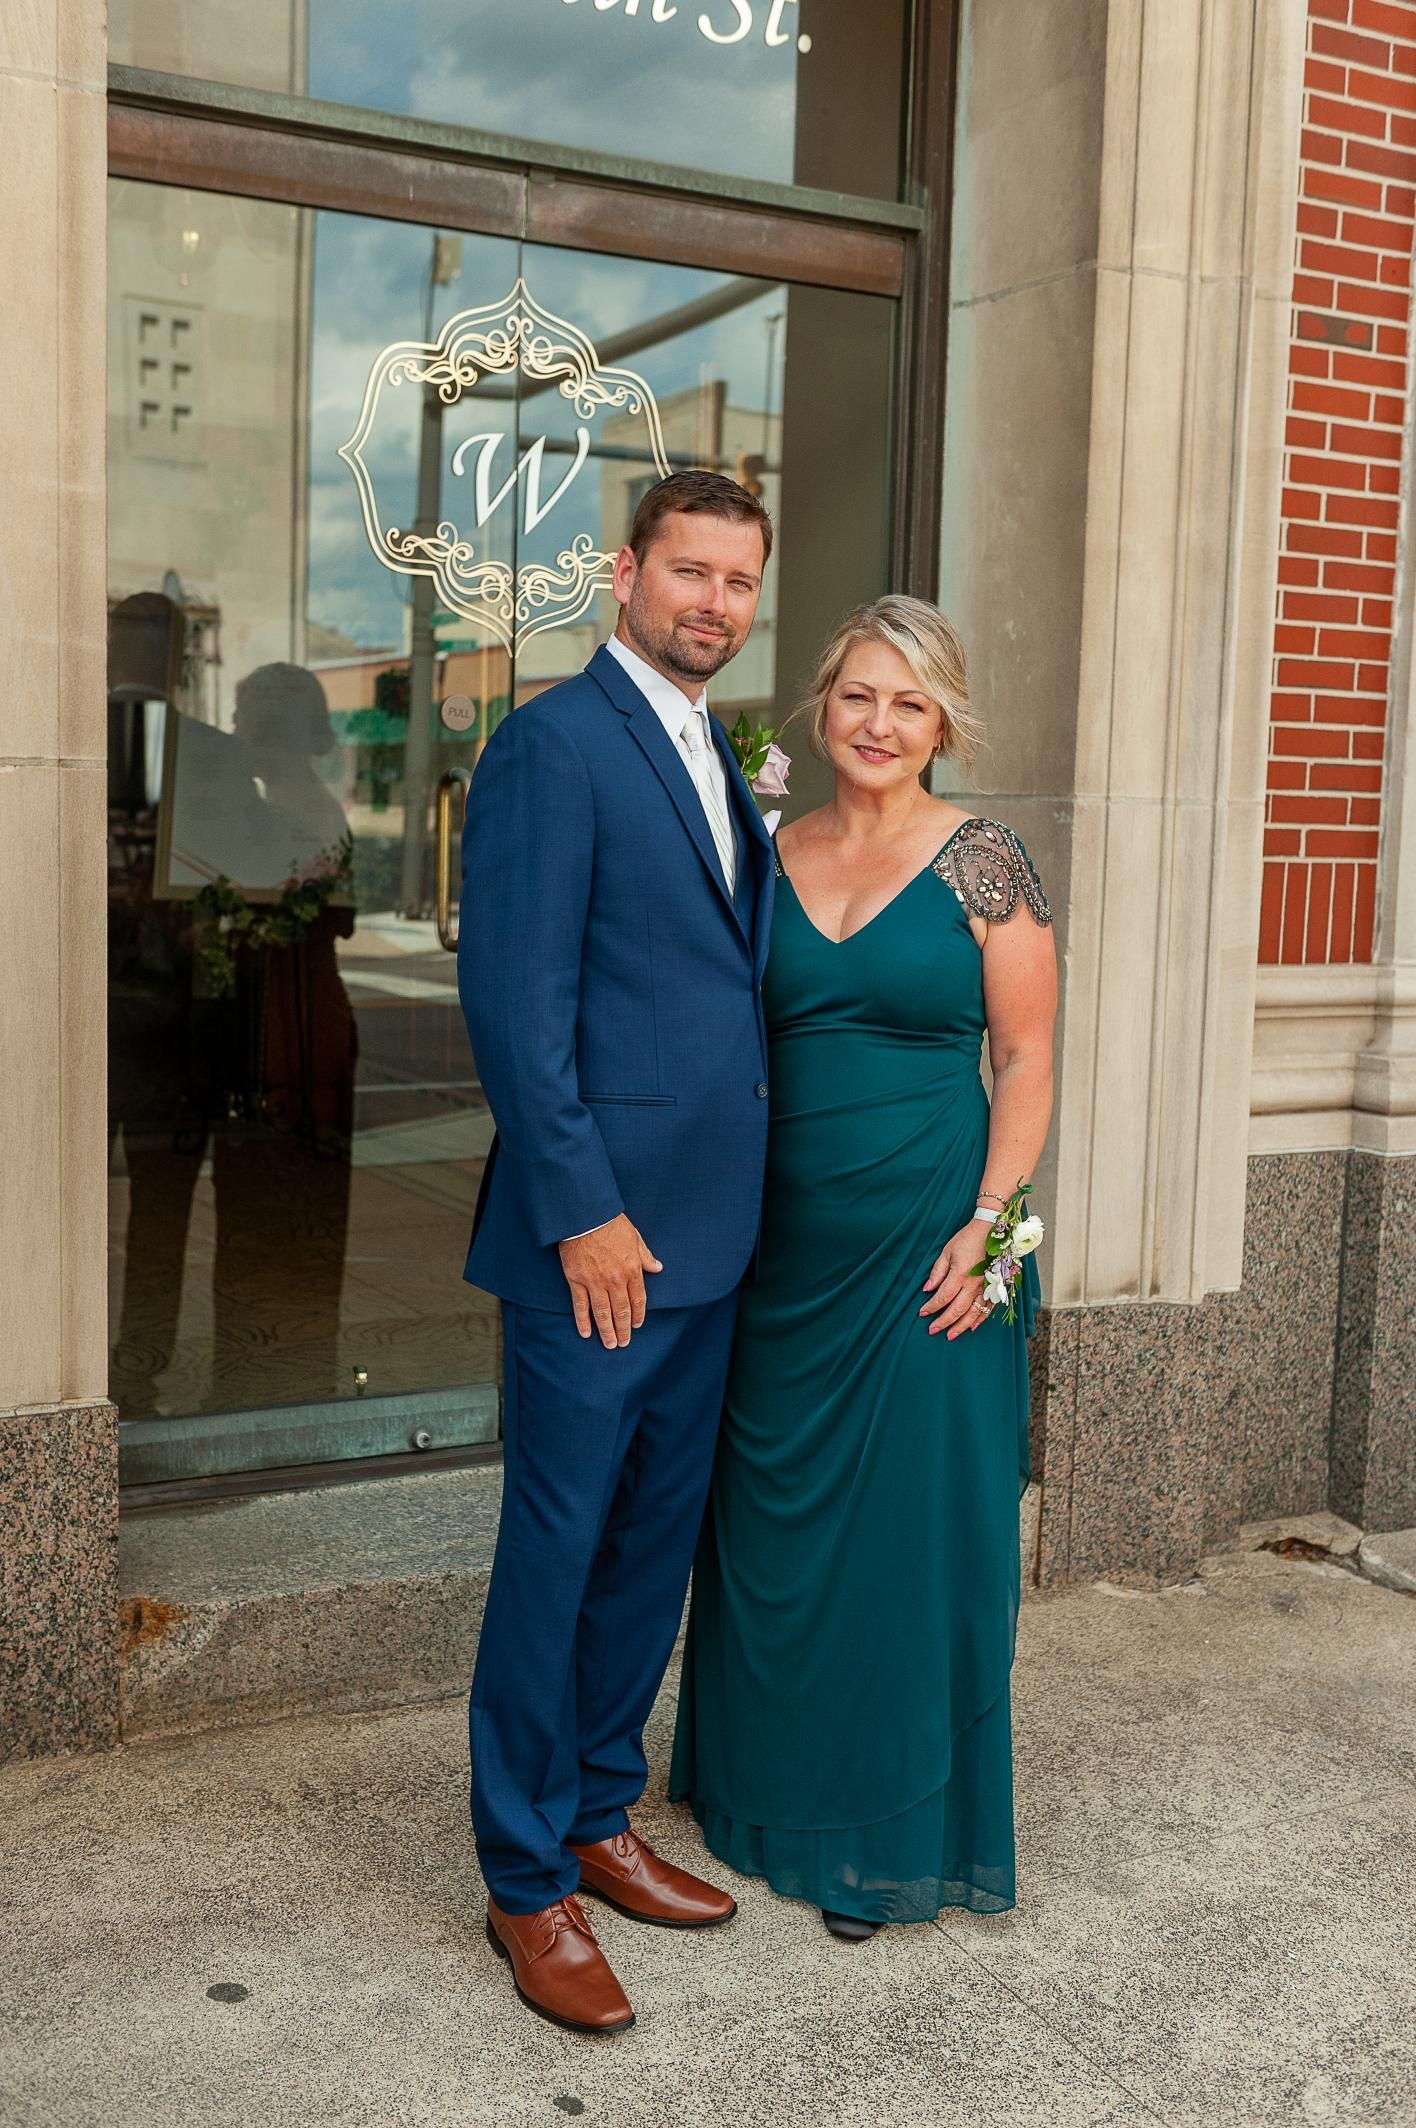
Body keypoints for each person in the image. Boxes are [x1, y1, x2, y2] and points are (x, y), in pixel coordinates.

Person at [671, 596, 1058, 1940]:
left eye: (909, 703)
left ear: (942, 720)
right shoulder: (769, 849)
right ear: (821, 707)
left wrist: (996, 1230)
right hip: (776, 1259)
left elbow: (1025, 1060)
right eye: (857, 697)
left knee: (905, 1543)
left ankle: (886, 1830)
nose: (880, 724)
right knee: (775, 1533)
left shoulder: (984, 864)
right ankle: (766, 1789)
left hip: (927, 1255)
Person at [457, 470, 777, 2033]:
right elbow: (515, 1009)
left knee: (647, 1557)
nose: (713, 603)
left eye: (737, 582)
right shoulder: (552, 744)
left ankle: (595, 1812)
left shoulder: (717, 750)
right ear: (626, 573)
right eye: (688, 571)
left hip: (709, 1243)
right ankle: (524, 1882)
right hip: (600, 1246)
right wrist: (583, 1210)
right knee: (558, 1555)